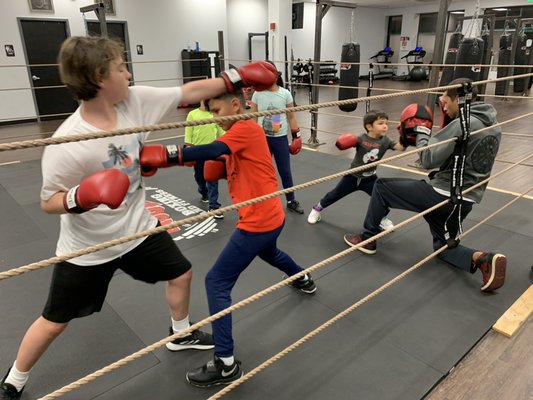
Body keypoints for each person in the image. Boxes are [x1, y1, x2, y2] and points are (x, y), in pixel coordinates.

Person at [0, 36, 279, 400]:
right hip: (89, 246)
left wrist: (237, 77)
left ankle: (180, 333)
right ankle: (14, 382)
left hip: (139, 228)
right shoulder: (67, 142)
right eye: (120, 68)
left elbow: (192, 89)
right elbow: (48, 203)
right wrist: (81, 196)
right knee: (55, 322)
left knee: (181, 273)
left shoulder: (135, 101)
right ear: (100, 77)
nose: (128, 73)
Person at [139, 89, 317, 388]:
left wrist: (167, 155)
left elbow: (209, 150)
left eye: (217, 111)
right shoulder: (241, 131)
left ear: (236, 104)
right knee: (270, 253)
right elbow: (226, 161)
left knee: (216, 281)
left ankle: (225, 363)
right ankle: (303, 278)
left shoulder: (244, 127)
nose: (215, 119)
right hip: (270, 217)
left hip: (258, 221)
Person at [343, 78, 507, 293]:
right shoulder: (494, 125)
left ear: (458, 99)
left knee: (382, 187)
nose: (444, 106)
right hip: (466, 201)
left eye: (447, 101)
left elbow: (428, 160)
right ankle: (484, 259)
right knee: (443, 247)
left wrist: (421, 134)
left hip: (442, 195)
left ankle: (367, 239)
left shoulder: (463, 124)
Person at [307, 110, 405, 228]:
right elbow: (341, 144)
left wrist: (407, 136)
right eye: (380, 123)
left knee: (382, 199)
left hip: (370, 178)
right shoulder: (360, 139)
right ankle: (316, 209)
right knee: (335, 194)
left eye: (386, 123)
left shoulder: (386, 141)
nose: (385, 126)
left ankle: (383, 218)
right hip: (352, 176)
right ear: (369, 126)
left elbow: (400, 148)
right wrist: (342, 143)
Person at [250, 65, 305, 215]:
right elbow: (253, 116)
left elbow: (291, 116)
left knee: (285, 171)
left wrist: (296, 136)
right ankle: (260, 202)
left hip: (280, 138)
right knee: (262, 172)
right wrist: (251, 138)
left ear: (274, 77)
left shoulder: (285, 94)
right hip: (261, 139)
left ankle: (291, 200)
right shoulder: (257, 94)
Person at [185, 100, 225, 217]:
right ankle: (203, 191)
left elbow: (221, 130)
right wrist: (188, 145)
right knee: (200, 178)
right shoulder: (193, 114)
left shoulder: (214, 114)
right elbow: (188, 130)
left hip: (212, 151)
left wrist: (225, 144)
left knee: (212, 179)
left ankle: (214, 206)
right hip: (197, 151)